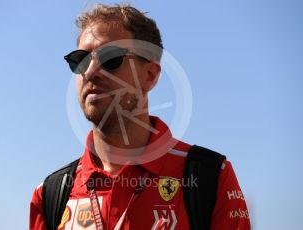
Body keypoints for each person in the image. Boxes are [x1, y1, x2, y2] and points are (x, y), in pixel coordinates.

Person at [30, 4, 251, 230]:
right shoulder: (50, 194)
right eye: (81, 59)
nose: (91, 71)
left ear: (150, 76)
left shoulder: (210, 176)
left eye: (111, 58)